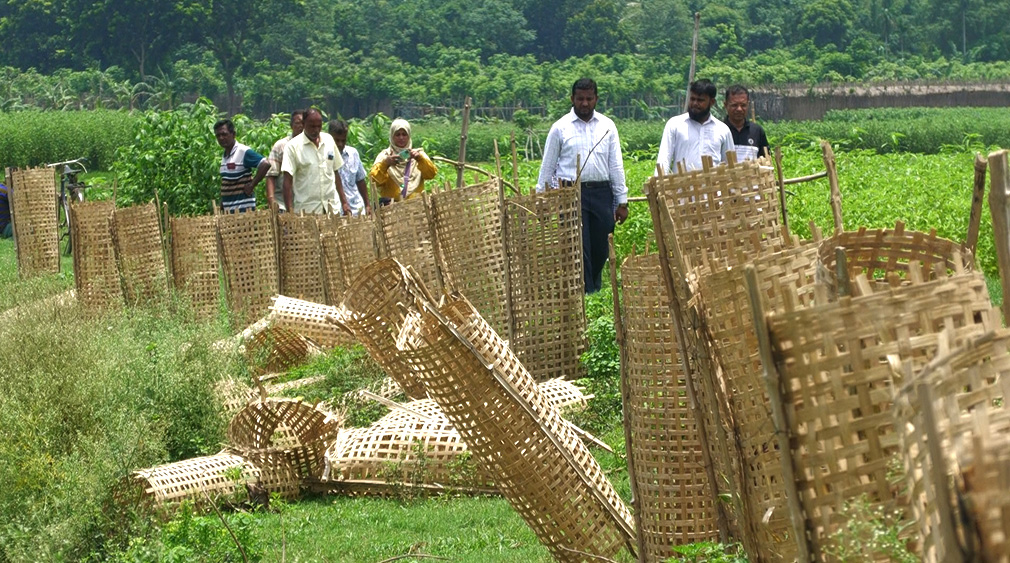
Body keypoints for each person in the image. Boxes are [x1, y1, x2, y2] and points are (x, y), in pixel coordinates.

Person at [536, 77, 628, 294]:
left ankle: (593, 285)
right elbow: (547, 168)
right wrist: (544, 198)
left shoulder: (607, 126)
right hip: (570, 193)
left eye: (588, 99)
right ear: (572, 99)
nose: (584, 104)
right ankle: (586, 293)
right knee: (578, 246)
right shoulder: (559, 128)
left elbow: (616, 165)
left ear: (596, 99)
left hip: (601, 193)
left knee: (601, 245)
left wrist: (621, 200)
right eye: (580, 99)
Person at [656, 79, 735, 174]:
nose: (695, 103)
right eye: (692, 99)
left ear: (712, 102)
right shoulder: (675, 124)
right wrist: (659, 184)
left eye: (700, 100)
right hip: (681, 187)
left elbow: (730, 165)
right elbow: (663, 159)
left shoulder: (723, 130)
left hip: (712, 188)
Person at [281, 108, 350, 215]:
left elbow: (335, 172)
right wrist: (289, 211)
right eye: (312, 126)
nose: (316, 130)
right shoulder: (292, 147)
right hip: (307, 211)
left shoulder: (329, 140)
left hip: (331, 209)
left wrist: (344, 202)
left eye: (319, 126)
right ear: (303, 124)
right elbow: (287, 182)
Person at [370, 119, 437, 205]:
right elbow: (374, 181)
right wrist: (385, 164)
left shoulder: (418, 155)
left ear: (409, 136)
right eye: (397, 135)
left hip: (417, 208)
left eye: (404, 134)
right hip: (392, 209)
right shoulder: (384, 156)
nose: (401, 138)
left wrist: (420, 159)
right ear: (392, 136)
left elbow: (431, 174)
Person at [215, 118, 271, 213]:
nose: (221, 138)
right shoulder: (225, 155)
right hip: (230, 213)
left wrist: (252, 185)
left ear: (233, 134)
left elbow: (265, 164)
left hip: (244, 213)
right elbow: (227, 184)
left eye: (224, 134)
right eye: (218, 135)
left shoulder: (242, 151)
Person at [265, 109, 305, 211]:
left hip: (304, 203)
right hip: (282, 204)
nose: (301, 126)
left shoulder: (311, 147)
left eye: (304, 123)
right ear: (291, 126)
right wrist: (271, 200)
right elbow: (271, 174)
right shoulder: (281, 146)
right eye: (297, 123)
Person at [329, 119, 370, 215]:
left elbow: (360, 181)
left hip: (356, 209)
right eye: (337, 140)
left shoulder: (353, 154)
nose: (340, 144)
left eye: (343, 140)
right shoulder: (324, 156)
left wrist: (367, 204)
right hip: (335, 211)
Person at [723, 85, 769, 161]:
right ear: (725, 105)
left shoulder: (757, 131)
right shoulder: (719, 131)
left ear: (748, 105)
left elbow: (765, 160)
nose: (739, 109)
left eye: (743, 105)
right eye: (734, 105)